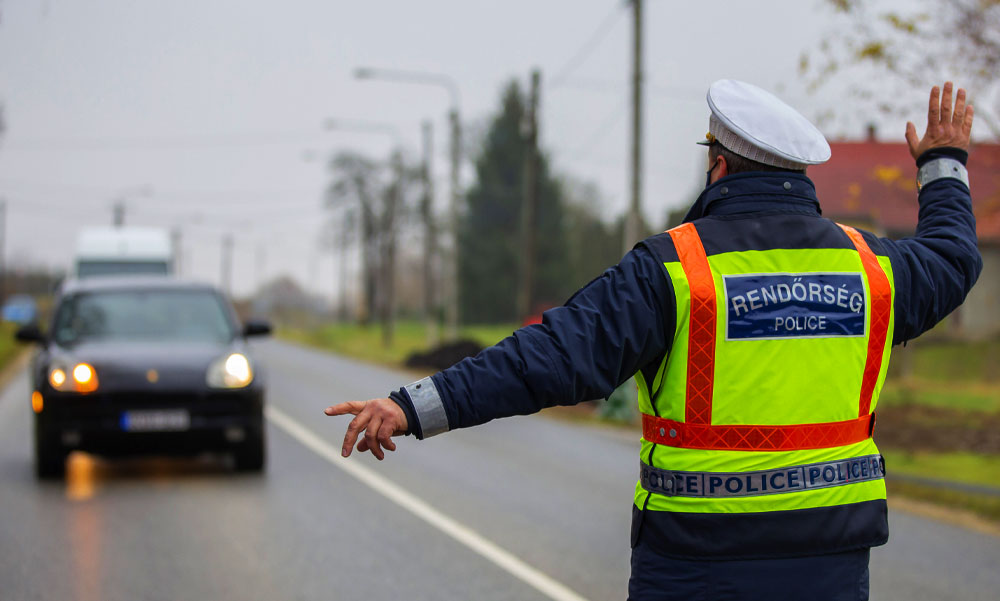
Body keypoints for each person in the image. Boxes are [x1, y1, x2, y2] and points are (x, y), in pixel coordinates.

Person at [324, 80, 981, 601]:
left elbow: (546, 357)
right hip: (832, 566)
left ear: (718, 165)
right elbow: (953, 260)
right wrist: (943, 164)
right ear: (799, 179)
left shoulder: (676, 268)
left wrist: (411, 406)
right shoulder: (870, 269)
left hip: (698, 567)